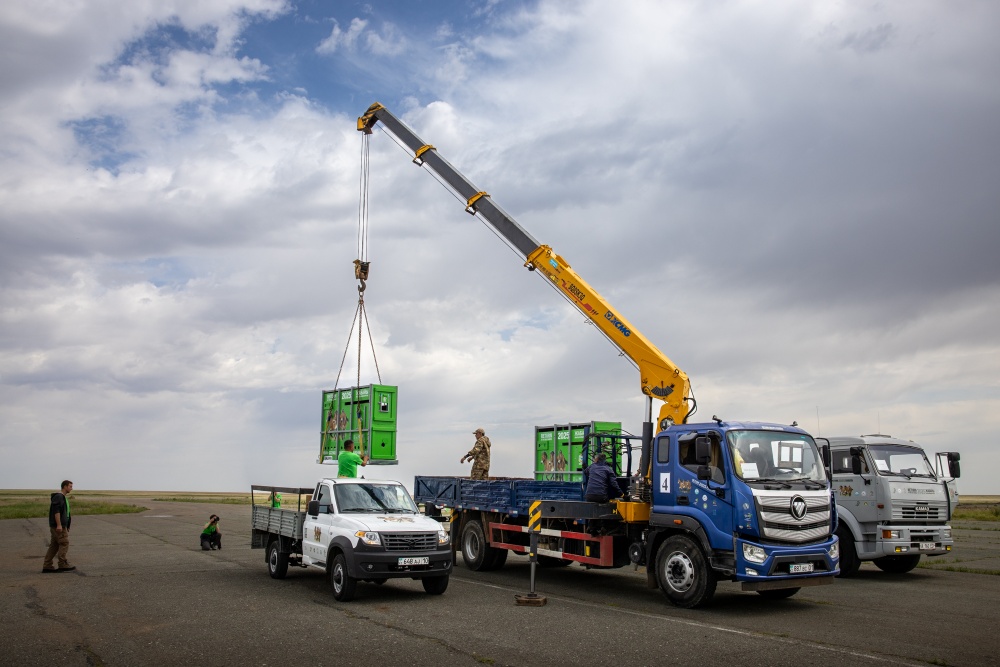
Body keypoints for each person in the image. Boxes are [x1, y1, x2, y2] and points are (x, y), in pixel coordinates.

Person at [42, 480, 75, 573]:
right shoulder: (59, 497)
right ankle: (62, 564)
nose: (71, 488)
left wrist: (67, 525)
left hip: (59, 526)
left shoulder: (62, 497)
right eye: (70, 486)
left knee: (54, 545)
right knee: (64, 543)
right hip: (58, 526)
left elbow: (66, 513)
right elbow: (56, 512)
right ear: (65, 486)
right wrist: (59, 525)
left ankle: (47, 565)